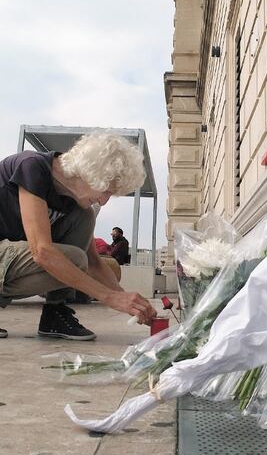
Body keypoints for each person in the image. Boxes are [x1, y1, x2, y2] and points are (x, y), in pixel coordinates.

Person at [0, 133, 157, 340]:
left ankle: (54, 313)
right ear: (89, 173)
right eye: (106, 192)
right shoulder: (32, 166)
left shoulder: (74, 201)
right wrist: (108, 297)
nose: (103, 201)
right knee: (74, 258)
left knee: (84, 216)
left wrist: (127, 300)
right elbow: (41, 252)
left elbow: (93, 262)